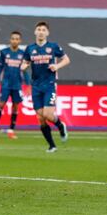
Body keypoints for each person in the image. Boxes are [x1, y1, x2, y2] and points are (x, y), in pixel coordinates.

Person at [21, 21, 70, 152]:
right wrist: (24, 67)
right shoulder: (30, 48)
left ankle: (60, 126)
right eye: (39, 29)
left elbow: (66, 59)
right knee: (40, 118)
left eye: (43, 30)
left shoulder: (53, 47)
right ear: (35, 32)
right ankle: (52, 145)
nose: (41, 31)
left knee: (48, 114)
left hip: (49, 84)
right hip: (36, 85)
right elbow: (24, 64)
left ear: (47, 32)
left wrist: (57, 66)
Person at [0, 31, 30, 140]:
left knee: (16, 107)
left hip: (17, 85)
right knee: (1, 105)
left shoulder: (23, 54)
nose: (15, 40)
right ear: (10, 40)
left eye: (17, 39)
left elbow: (25, 71)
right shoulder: (4, 52)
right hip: (6, 84)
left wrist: (28, 84)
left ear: (20, 41)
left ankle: (11, 130)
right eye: (13, 38)